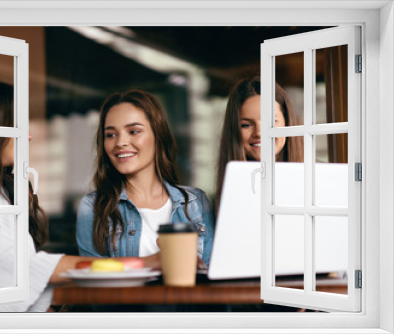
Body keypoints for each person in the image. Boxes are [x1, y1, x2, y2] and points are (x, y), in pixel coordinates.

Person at [0, 77, 160, 312]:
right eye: (18, 126)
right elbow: (25, 267)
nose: (28, 136)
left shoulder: (9, 193)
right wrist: (142, 264)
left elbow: (24, 288)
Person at [76, 89, 214, 266]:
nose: (120, 143)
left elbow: (210, 274)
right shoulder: (93, 207)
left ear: (158, 135)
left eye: (133, 131)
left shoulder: (196, 202)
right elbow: (95, 280)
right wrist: (153, 262)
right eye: (111, 134)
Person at [215, 76, 304, 209]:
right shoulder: (224, 196)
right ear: (234, 131)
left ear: (287, 123)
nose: (259, 132)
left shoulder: (317, 181)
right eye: (246, 125)